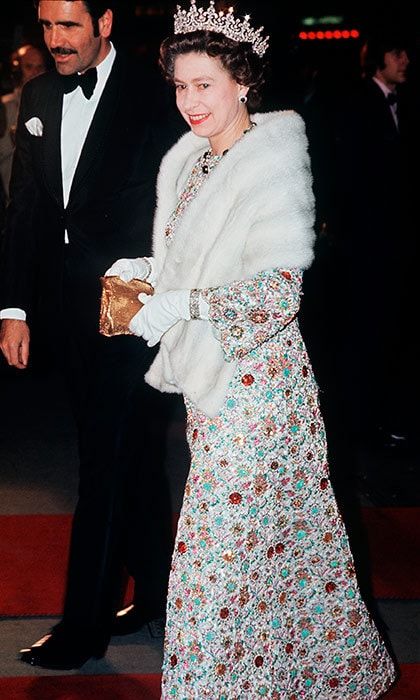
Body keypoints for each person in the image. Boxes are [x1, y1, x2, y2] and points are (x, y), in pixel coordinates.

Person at [107, 1, 397, 696]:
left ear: (242, 81)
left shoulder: (272, 164)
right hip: (217, 394)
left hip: (260, 396)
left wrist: (189, 305)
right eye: (180, 85)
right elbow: (191, 260)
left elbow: (275, 294)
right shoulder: (193, 163)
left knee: (214, 564)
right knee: (274, 556)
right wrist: (151, 275)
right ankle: (308, 677)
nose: (190, 100)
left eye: (205, 83)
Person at [0, 0, 178, 670]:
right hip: (65, 309)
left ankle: (84, 627)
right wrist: (13, 308)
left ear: (104, 21)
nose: (55, 41)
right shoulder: (41, 93)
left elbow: (176, 197)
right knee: (127, 454)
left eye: (69, 25)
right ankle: (158, 595)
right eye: (46, 27)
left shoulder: (152, 91)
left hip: (135, 304)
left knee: (102, 462)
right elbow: (25, 207)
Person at [0, 44, 47, 202]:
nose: (35, 73)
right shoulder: (4, 108)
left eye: (39, 67)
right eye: (29, 67)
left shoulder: (53, 107)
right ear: (17, 72)